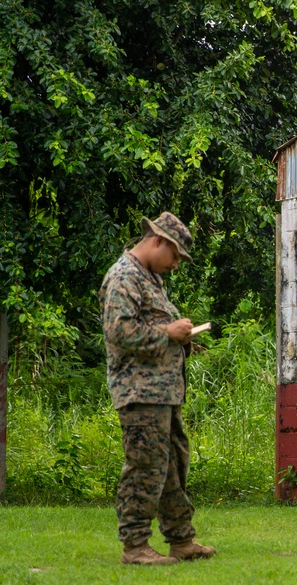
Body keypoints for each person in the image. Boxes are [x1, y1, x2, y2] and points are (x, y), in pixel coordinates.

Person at [100, 212, 216, 565]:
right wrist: (168, 333)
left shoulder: (151, 279)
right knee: (145, 467)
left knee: (171, 468)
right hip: (139, 392)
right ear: (158, 241)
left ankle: (181, 540)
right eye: (176, 255)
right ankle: (135, 546)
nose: (177, 264)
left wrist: (184, 340)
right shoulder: (124, 276)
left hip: (164, 393)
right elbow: (119, 331)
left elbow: (148, 327)